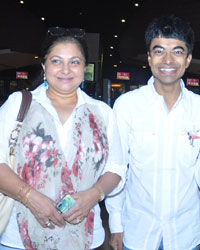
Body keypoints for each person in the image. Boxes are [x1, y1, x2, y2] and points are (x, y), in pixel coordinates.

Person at [0, 27, 125, 250]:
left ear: (85, 68)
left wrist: (93, 195)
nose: (65, 69)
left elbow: (116, 167)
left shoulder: (101, 112)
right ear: (44, 66)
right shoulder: (18, 104)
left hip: (86, 237)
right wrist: (31, 198)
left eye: (75, 62)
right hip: (19, 238)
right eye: (56, 61)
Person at [106, 15, 200, 250]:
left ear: (188, 60)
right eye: (159, 51)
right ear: (149, 58)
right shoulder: (127, 105)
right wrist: (116, 224)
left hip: (185, 233)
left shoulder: (198, 108)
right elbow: (116, 166)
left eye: (178, 52)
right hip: (138, 230)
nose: (168, 59)